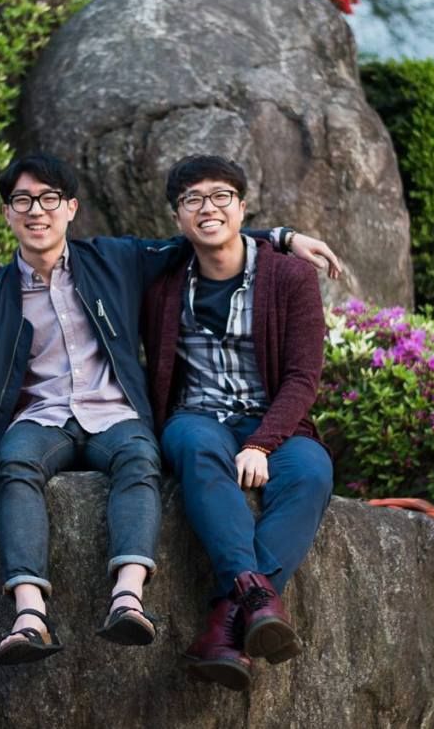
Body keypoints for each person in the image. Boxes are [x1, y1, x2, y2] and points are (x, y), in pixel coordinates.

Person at [0, 152, 339, 667]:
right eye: (22, 201)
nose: (36, 211)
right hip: (103, 420)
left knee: (244, 466)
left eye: (49, 199)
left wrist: (283, 237)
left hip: (163, 418)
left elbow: (213, 236)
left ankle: (184, 608)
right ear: (7, 213)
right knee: (37, 460)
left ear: (71, 207)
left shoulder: (116, 261)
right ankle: (31, 613)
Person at [141, 155, 333, 692]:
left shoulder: (290, 276)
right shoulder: (160, 278)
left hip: (271, 422)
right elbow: (77, 261)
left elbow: (301, 377)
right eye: (193, 199)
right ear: (178, 216)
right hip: (195, 416)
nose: (209, 208)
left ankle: (227, 620)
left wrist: (263, 444)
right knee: (196, 447)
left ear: (242, 207)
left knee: (312, 472)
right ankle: (257, 600)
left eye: (221, 196)